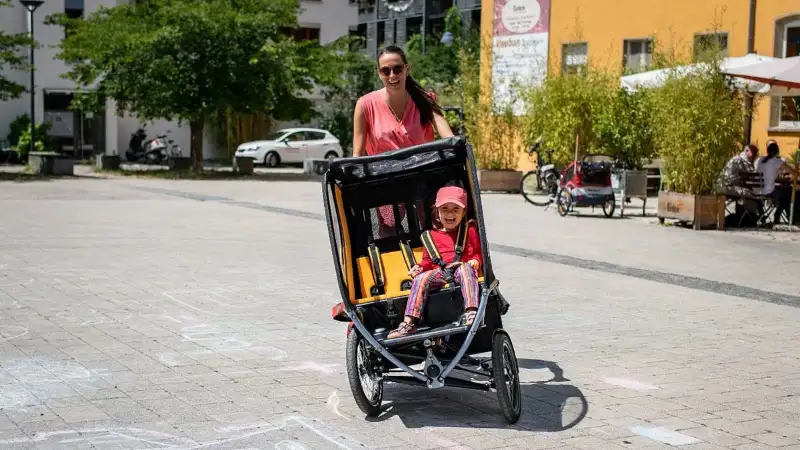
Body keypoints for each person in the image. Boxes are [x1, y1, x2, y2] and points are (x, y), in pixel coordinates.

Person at [387, 186, 482, 339]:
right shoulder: (430, 237)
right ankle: (408, 322)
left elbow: (478, 252)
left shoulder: (468, 230)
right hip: (440, 272)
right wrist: (419, 268)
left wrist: (475, 261)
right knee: (420, 279)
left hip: (462, 268)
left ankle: (471, 311)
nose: (450, 214)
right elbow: (427, 261)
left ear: (463, 212)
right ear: (437, 212)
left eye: (456, 209)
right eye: (445, 209)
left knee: (465, 269)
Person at [756, 140, 798, 223]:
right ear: (777, 152)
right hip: (769, 191)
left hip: (758, 190)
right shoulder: (777, 161)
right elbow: (794, 173)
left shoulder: (760, 160)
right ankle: (780, 215)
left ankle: (774, 215)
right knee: (789, 191)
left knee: (784, 192)